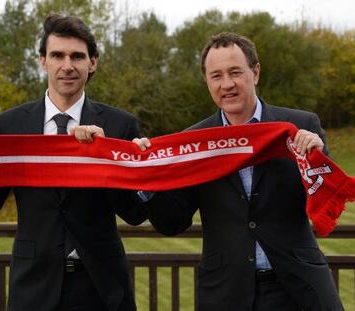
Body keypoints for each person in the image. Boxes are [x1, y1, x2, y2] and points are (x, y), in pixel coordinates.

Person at [0, 14, 146, 311]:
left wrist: (104, 157)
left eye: (77, 56)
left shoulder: (120, 125)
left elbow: (135, 213)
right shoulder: (10, 124)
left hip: (102, 290)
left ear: (93, 63)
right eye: (57, 55)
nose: (67, 65)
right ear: (42, 61)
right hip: (33, 290)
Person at [133, 32, 343, 310]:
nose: (227, 84)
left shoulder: (300, 125)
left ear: (255, 72)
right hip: (226, 293)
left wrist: (316, 160)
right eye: (216, 75)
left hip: (298, 289)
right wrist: (147, 180)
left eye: (235, 72)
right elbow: (173, 222)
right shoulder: (193, 141)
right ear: (206, 80)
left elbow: (325, 202)